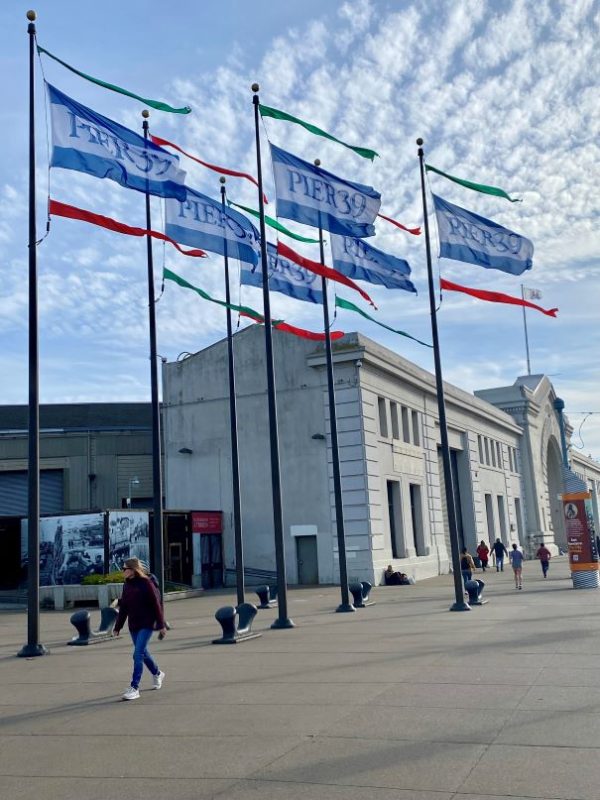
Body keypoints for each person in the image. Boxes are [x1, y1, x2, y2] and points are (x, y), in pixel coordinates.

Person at [113, 556, 167, 701]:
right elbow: (124, 607)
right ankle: (157, 673)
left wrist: (161, 625)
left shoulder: (146, 583)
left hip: (147, 624)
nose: (122, 571)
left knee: (137, 655)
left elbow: (156, 604)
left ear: (132, 570)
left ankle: (134, 687)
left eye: (124, 569)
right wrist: (117, 627)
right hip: (133, 625)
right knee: (143, 653)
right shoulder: (127, 584)